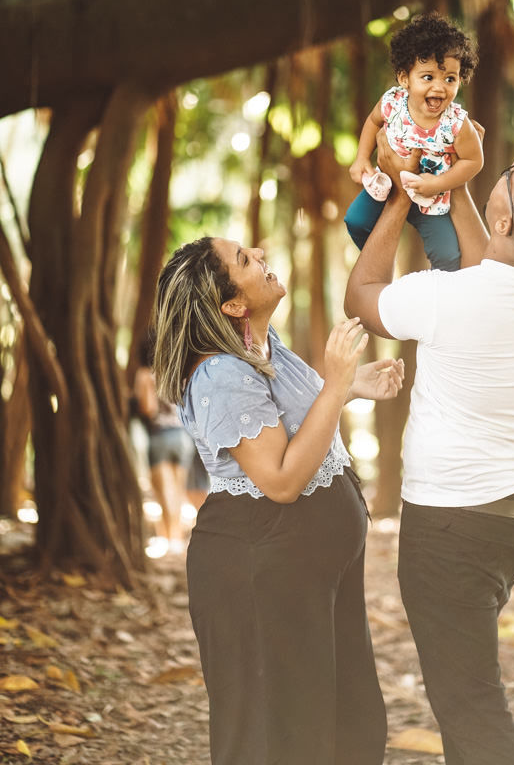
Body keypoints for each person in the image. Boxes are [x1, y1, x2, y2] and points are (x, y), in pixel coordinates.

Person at [344, 130, 514, 765]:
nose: (501, 170)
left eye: (507, 175)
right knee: (467, 695)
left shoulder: (446, 300)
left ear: (504, 214)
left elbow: (362, 298)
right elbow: (494, 267)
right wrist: (453, 185)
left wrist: (403, 196)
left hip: (453, 530)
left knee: (471, 704)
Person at [152, 235, 404, 765]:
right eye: (245, 261)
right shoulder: (220, 374)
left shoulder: (263, 347)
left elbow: (297, 418)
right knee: (283, 737)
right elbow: (282, 479)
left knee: (346, 719)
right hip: (259, 574)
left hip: (310, 573)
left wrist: (352, 385)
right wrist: (336, 387)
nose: (261, 258)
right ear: (233, 304)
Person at [345, 11, 483, 271]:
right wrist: (361, 157)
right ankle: (383, 263)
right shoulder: (393, 102)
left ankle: (436, 298)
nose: (440, 87)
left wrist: (438, 184)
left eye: (450, 78)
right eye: (428, 77)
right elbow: (374, 121)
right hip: (389, 188)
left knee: (448, 255)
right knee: (355, 221)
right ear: (404, 78)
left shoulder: (456, 123)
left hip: (431, 199)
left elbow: (474, 160)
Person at [133, 337, 195, 553]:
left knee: (163, 492)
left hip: (159, 437)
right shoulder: (176, 371)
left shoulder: (145, 374)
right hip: (183, 437)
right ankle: (176, 539)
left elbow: (148, 408)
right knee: (177, 490)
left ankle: (168, 540)